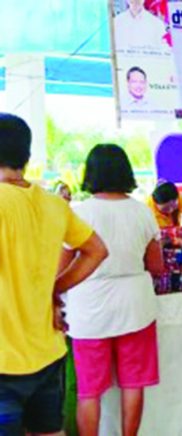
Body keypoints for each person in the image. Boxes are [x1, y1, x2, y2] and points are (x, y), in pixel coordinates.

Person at [0, 113, 108, 436]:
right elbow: (97, 250)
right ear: (27, 157)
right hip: (49, 355)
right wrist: (54, 289)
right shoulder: (54, 205)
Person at [60, 144, 164, 436]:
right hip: (136, 307)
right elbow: (156, 266)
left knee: (89, 391)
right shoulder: (143, 213)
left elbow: (61, 270)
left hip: (89, 310)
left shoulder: (78, 213)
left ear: (89, 174)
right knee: (133, 383)